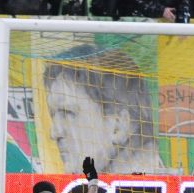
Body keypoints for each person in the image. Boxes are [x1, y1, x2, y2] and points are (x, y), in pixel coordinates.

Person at [43, 45, 171, 175]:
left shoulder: (146, 187)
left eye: (67, 113)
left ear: (119, 125)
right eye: (53, 115)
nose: (54, 133)